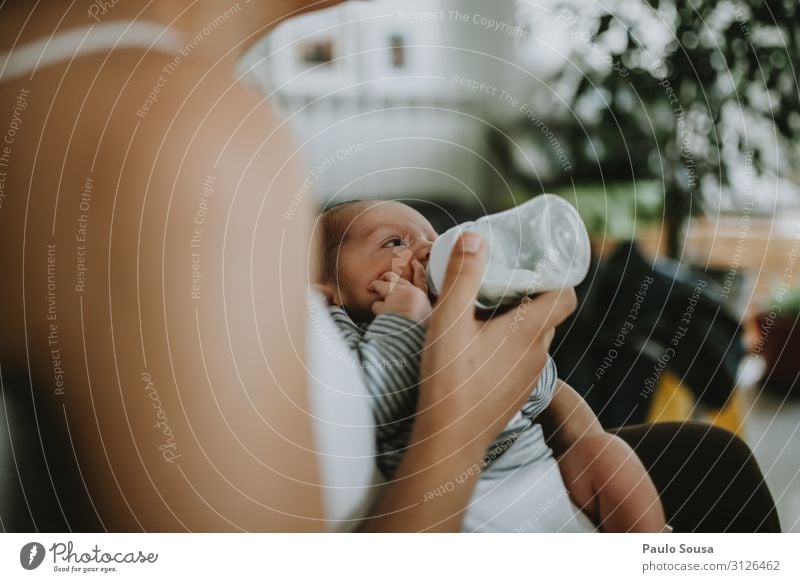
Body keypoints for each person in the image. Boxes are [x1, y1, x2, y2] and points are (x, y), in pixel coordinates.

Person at [0, 0, 780, 533]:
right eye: (387, 244)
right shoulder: (167, 139)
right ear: (326, 287)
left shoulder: (135, 95)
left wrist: (557, 419)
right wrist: (460, 423)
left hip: (517, 475)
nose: (415, 256)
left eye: (418, 238)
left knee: (710, 460)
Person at [317, 199, 668, 532]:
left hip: (548, 486)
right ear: (327, 288)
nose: (427, 250)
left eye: (434, 239)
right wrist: (405, 319)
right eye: (394, 242)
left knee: (603, 456)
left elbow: (538, 391)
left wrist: (508, 334)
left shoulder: (459, 313)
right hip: (460, 512)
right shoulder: (335, 333)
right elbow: (372, 402)